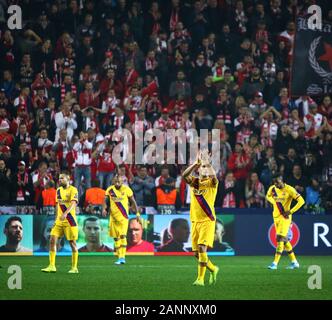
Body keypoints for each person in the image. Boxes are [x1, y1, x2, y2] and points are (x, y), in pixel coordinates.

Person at [182, 149, 219, 286]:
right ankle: (214, 269)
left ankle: (200, 279)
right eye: (202, 168)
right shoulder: (195, 182)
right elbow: (184, 175)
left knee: (202, 248)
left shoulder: (212, 183)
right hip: (195, 220)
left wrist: (207, 164)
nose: (203, 169)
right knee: (197, 254)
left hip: (207, 220)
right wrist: (196, 164)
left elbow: (214, 177)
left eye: (205, 168)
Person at [41, 172, 79, 273]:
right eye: (59, 178)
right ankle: (52, 266)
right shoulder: (58, 190)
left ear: (68, 179)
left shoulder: (73, 189)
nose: (60, 180)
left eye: (62, 178)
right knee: (52, 240)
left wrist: (66, 213)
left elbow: (73, 203)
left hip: (70, 220)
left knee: (72, 243)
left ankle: (74, 268)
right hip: (59, 220)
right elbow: (58, 205)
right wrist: (55, 219)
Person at [266, 173, 305, 270]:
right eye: (274, 182)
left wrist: (291, 211)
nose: (276, 184)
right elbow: (268, 196)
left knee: (279, 238)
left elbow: (301, 201)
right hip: (275, 217)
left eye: (278, 182)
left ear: (283, 181)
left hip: (285, 217)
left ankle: (275, 263)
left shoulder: (289, 189)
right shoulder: (273, 188)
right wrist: (273, 202)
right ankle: (294, 262)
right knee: (285, 240)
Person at [102, 175, 140, 265]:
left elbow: (133, 201)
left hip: (123, 217)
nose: (117, 183)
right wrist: (104, 209)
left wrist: (137, 213)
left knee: (122, 236)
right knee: (116, 239)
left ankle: (122, 257)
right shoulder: (109, 190)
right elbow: (105, 201)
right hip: (113, 218)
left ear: (122, 182)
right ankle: (119, 256)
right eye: (116, 181)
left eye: (119, 181)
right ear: (113, 182)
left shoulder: (127, 189)